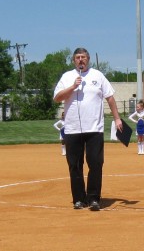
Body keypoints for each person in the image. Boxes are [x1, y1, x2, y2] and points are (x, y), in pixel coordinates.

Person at [53, 47, 123, 211]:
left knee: (96, 163)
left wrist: (117, 118)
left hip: (94, 128)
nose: (80, 60)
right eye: (77, 57)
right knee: (75, 165)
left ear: (88, 59)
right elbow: (57, 98)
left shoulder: (98, 75)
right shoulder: (67, 77)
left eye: (83, 57)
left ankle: (93, 199)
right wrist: (72, 87)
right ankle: (78, 199)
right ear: (73, 60)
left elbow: (110, 98)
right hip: (72, 129)